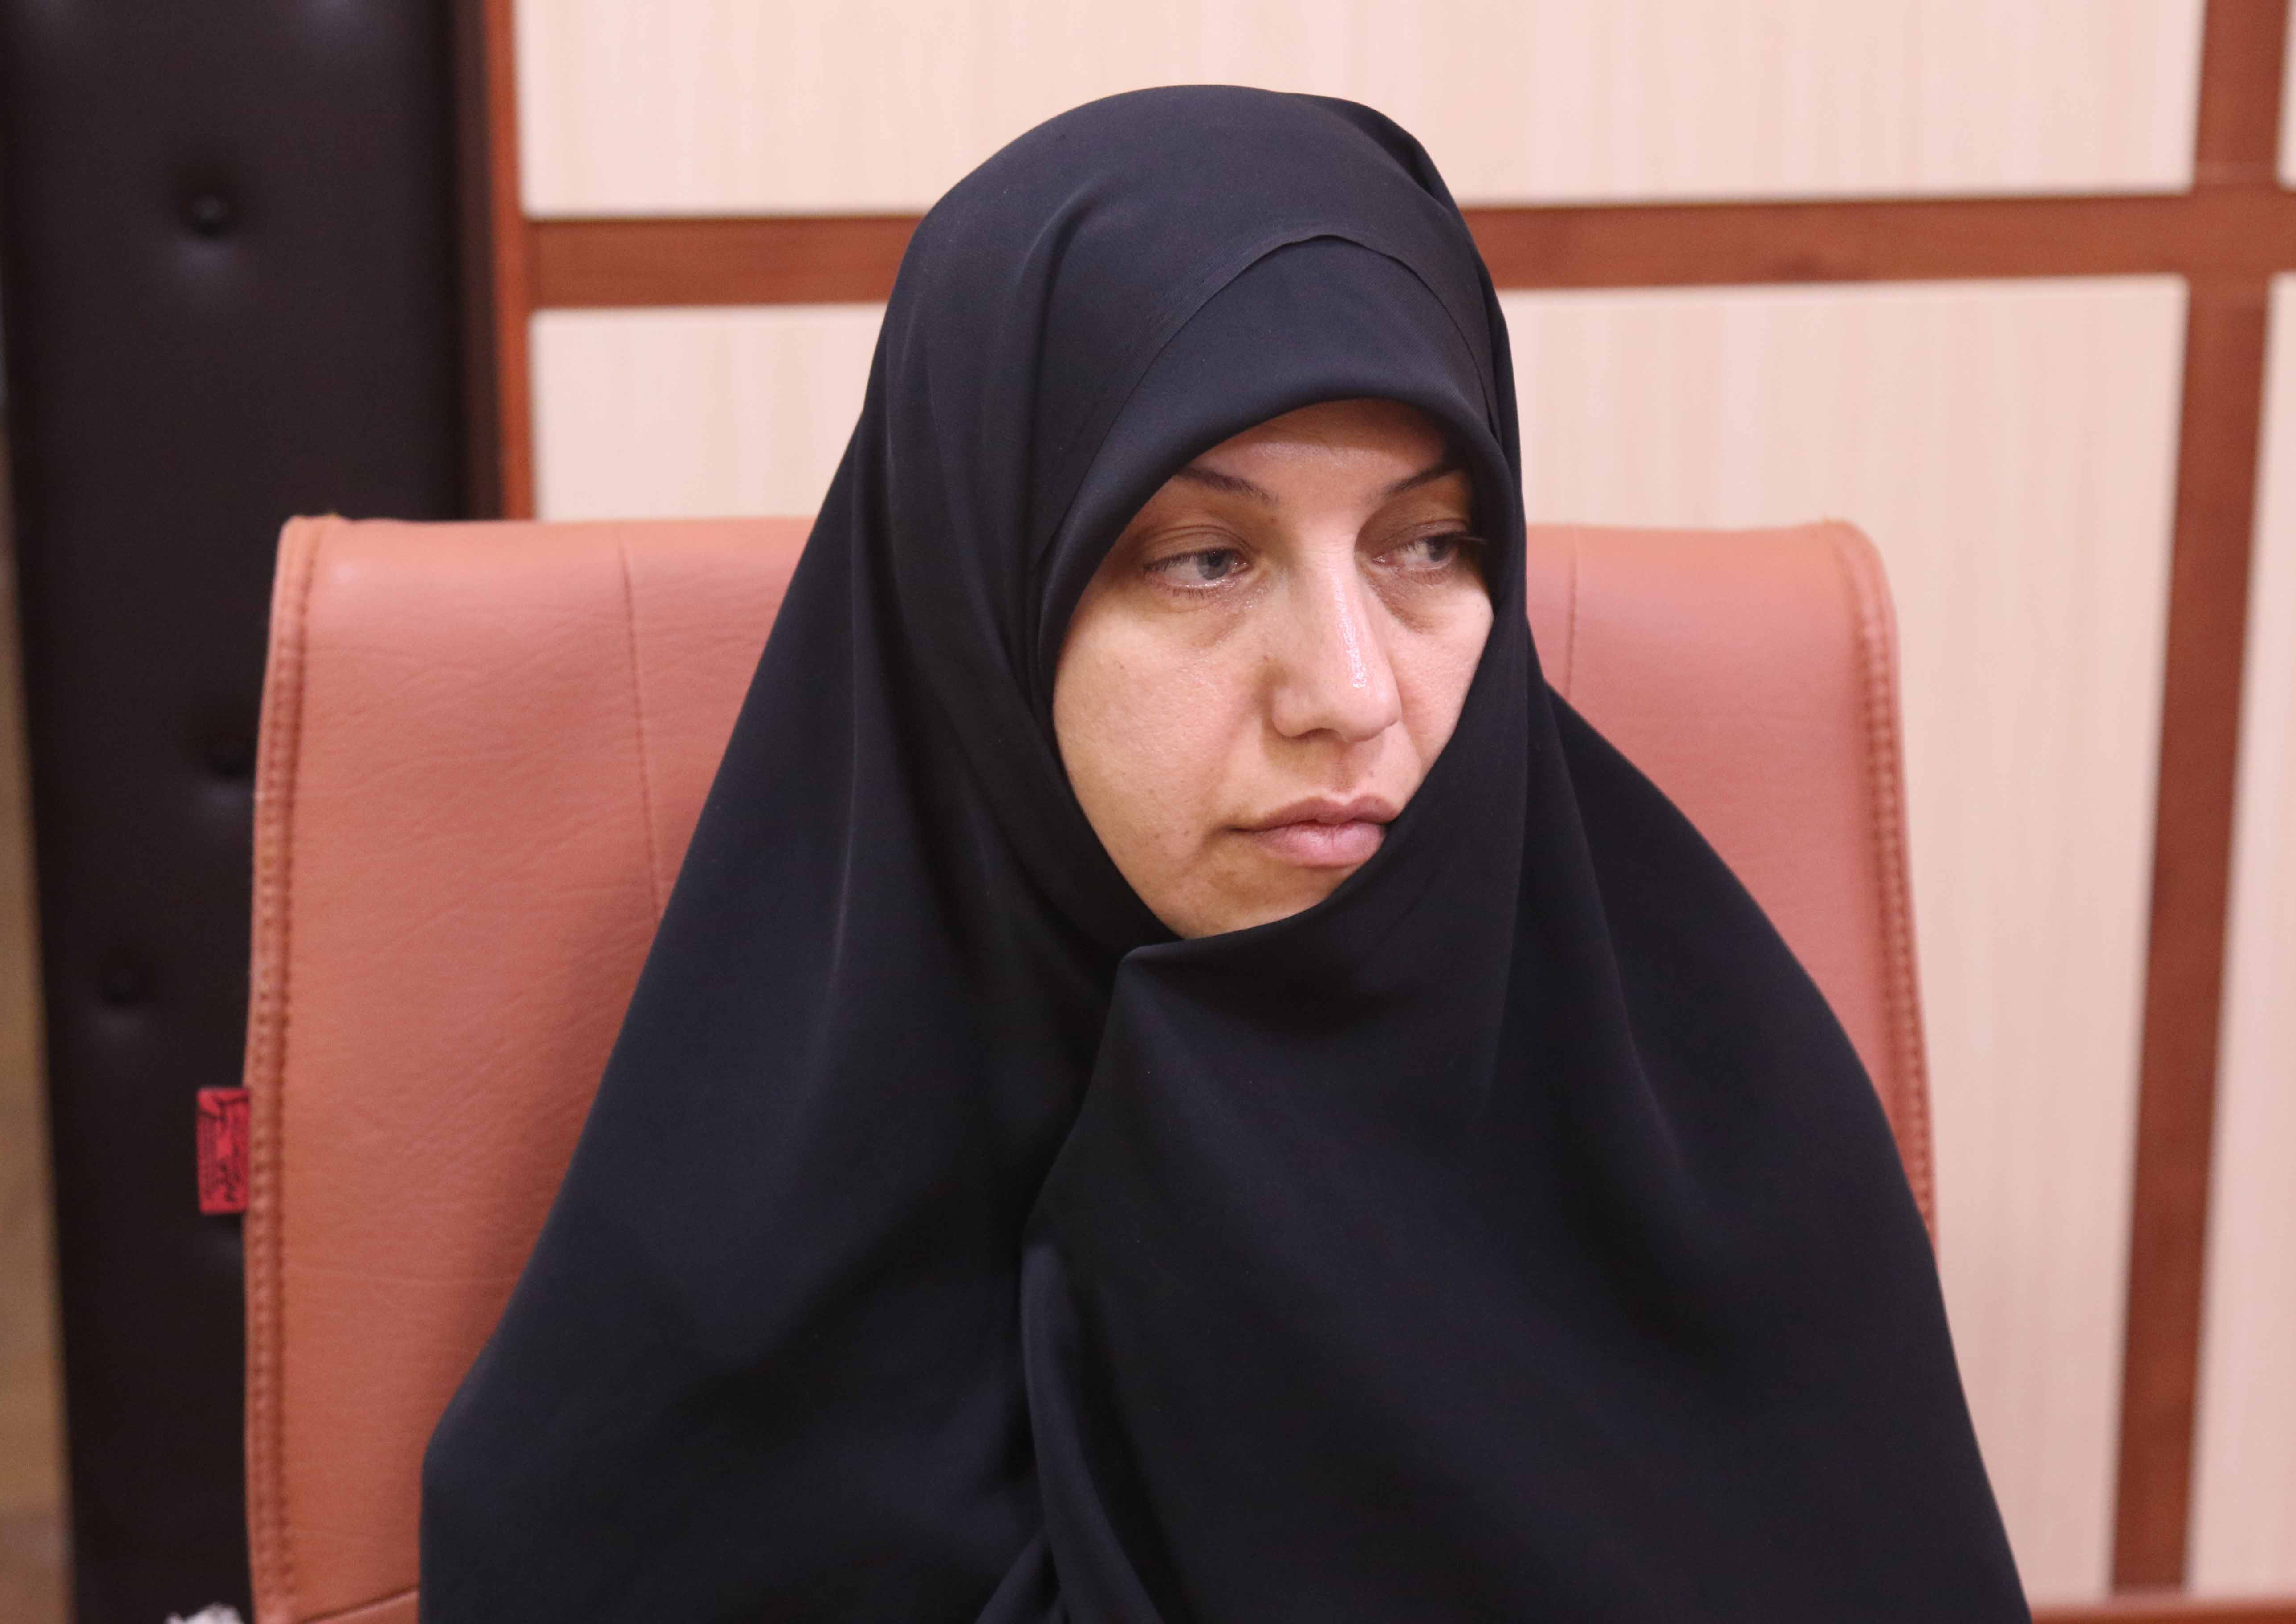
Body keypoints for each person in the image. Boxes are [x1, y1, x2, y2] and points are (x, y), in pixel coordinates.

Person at [421, 86, 2029, 1621]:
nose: (1350, 691)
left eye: (1429, 544)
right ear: (980, 599)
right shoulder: (712, 1297)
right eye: (1202, 559)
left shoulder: (1716, 1153)